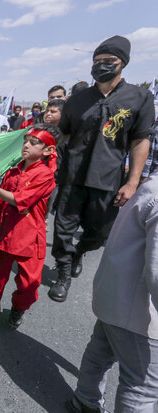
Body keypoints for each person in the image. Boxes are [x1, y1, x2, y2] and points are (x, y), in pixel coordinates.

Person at [49, 35, 155, 303]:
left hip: (108, 180)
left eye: (108, 61)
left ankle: (81, 251)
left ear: (123, 63)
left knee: (99, 233)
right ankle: (62, 271)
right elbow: (62, 134)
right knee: (63, 229)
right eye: (96, 61)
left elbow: (141, 140)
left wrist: (132, 183)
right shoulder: (77, 99)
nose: (101, 66)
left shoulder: (139, 98)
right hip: (72, 177)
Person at [65, 169, 158, 413]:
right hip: (139, 313)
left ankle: (84, 400)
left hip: (114, 295)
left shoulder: (152, 186)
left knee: (100, 353)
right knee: (142, 388)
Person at [0, 124, 57, 335]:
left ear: (48, 150)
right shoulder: (12, 171)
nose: (26, 145)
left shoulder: (45, 175)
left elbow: (19, 200)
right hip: (6, 232)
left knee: (29, 284)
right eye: (26, 141)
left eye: (34, 142)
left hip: (31, 236)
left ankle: (19, 308)